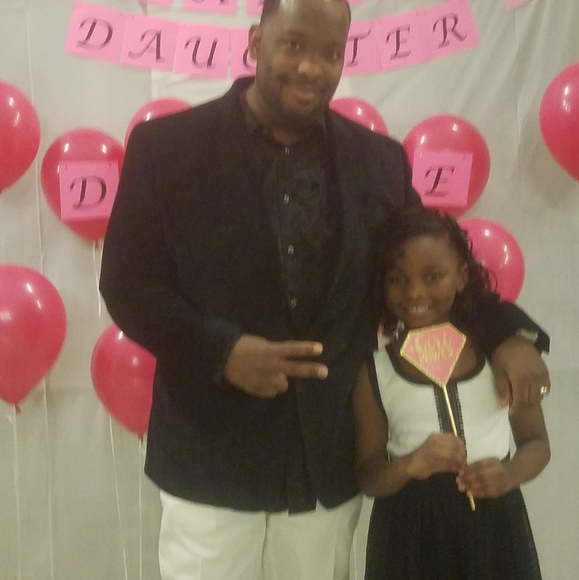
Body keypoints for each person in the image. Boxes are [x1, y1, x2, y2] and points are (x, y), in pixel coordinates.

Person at [99, 0, 550, 577]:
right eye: (294, 45)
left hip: (327, 455)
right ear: (256, 42)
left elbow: (430, 271)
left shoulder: (378, 162)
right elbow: (128, 282)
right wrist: (221, 351)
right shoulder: (167, 149)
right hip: (211, 453)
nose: (312, 67)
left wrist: (510, 335)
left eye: (331, 53)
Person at [354, 206, 551, 580]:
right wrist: (409, 464)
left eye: (433, 276)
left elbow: (537, 443)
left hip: (494, 528)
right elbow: (368, 475)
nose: (414, 292)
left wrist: (509, 473)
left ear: (462, 276)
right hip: (409, 537)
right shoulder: (375, 372)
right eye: (397, 279)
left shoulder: (499, 355)